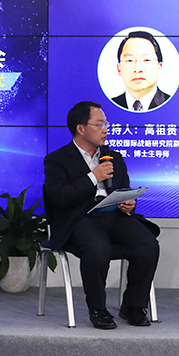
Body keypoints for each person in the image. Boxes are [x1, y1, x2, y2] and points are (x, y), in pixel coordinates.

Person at [43, 101, 160, 329]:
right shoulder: (57, 159)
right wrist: (92, 177)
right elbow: (59, 197)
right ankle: (98, 309)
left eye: (106, 124)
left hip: (115, 216)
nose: (106, 129)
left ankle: (133, 306)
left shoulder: (113, 157)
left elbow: (123, 189)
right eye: (99, 124)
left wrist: (129, 204)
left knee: (148, 245)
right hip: (80, 218)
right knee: (97, 248)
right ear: (81, 128)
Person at [111, 31, 170, 111]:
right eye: (129, 60)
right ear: (119, 68)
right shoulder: (107, 106)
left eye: (146, 60)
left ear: (159, 67)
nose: (138, 69)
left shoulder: (173, 104)